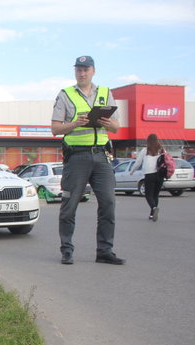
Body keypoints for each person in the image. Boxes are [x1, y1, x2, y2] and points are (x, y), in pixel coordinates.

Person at [51, 55, 125, 265]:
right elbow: (55, 128)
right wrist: (75, 123)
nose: (82, 73)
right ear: (75, 72)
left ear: (93, 71)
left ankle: (104, 251)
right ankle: (67, 250)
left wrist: (106, 122)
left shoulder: (105, 93)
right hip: (77, 157)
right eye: (78, 70)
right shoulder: (65, 94)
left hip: (102, 156)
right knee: (69, 205)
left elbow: (116, 127)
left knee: (109, 204)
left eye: (86, 69)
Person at [130, 133, 165, 221]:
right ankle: (152, 214)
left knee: (148, 195)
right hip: (160, 174)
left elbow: (138, 163)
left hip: (149, 175)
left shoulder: (145, 150)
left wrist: (132, 171)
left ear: (148, 141)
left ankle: (153, 208)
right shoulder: (162, 150)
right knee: (155, 195)